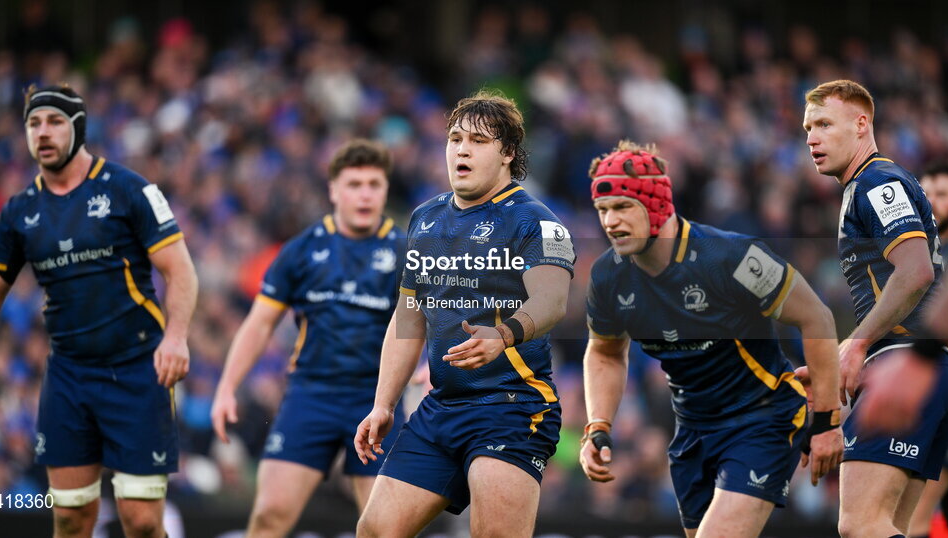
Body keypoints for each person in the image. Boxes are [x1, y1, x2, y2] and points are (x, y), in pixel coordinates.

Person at [0, 85, 198, 538]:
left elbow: (181, 271)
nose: (43, 132)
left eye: (55, 121)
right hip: (69, 376)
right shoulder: (19, 212)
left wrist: (175, 337)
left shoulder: (129, 189)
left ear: (78, 127)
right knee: (72, 517)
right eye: (34, 123)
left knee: (141, 521)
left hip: (138, 370)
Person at [577, 140, 843, 537]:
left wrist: (826, 421)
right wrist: (598, 425)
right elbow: (605, 354)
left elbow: (816, 318)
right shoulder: (608, 276)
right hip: (692, 433)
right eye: (602, 211)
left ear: (656, 205)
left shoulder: (729, 256)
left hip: (762, 418)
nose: (610, 222)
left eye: (621, 208)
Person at [353, 90, 575, 537]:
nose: (462, 149)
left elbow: (552, 301)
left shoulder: (536, 221)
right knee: (374, 531)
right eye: (455, 138)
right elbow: (409, 316)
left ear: (508, 153)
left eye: (477, 140)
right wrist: (383, 404)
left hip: (511, 406)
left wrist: (505, 334)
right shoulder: (425, 218)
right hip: (442, 409)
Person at [210, 139, 405, 536]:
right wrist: (227, 386)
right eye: (354, 184)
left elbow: (431, 320)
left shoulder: (405, 251)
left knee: (385, 529)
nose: (365, 194)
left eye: (374, 184)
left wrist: (432, 365)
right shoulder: (302, 250)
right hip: (310, 396)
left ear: (385, 190)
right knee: (269, 516)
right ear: (334, 190)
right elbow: (259, 323)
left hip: (377, 401)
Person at [802, 79, 948, 538]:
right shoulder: (866, 186)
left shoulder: (877, 181)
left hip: (905, 364)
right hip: (928, 368)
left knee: (859, 524)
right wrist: (848, 349)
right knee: (895, 528)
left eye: (825, 123)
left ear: (861, 123)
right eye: (808, 127)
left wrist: (861, 342)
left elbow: (915, 273)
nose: (812, 137)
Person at [904, 162, 948, 538]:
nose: (932, 203)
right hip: (929, 400)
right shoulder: (915, 259)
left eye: (943, 194)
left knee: (915, 518)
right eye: (926, 195)